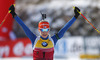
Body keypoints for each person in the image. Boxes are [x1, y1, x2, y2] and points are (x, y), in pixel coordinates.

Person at [9, 5, 80, 60]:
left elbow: (65, 28)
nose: (44, 32)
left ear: (48, 30)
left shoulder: (53, 40)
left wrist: (75, 16)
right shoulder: (34, 39)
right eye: (42, 30)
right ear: (39, 30)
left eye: (46, 30)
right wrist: (14, 14)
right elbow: (24, 26)